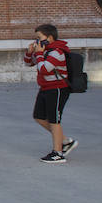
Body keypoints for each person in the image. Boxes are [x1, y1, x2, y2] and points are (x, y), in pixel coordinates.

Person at [25, 24, 76, 163]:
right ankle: (64, 141)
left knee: (54, 120)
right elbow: (29, 63)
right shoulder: (45, 51)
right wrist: (30, 52)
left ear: (49, 38)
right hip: (45, 88)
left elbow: (44, 69)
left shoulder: (57, 52)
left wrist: (39, 53)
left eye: (39, 38)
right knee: (39, 116)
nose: (37, 41)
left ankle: (58, 153)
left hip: (57, 88)